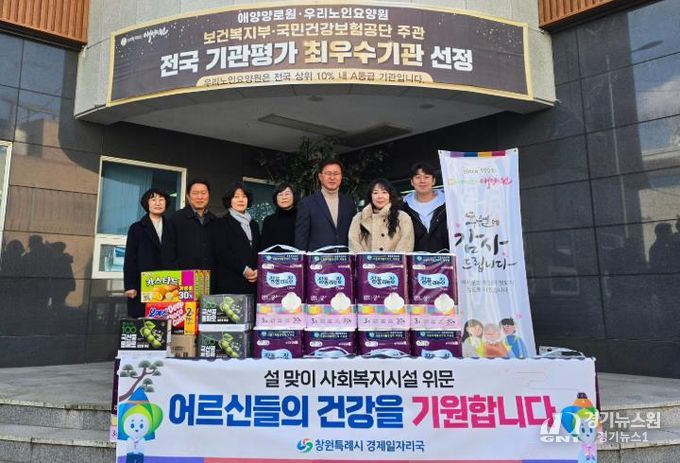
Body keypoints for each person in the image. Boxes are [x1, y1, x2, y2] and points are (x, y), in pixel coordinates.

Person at [124, 188, 170, 318]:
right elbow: (130, 258)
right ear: (147, 203)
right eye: (153, 199)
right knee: (144, 322)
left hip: (168, 284)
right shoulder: (136, 228)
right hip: (143, 284)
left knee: (166, 322)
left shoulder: (172, 226)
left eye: (161, 199)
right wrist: (130, 285)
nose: (158, 203)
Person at [295, 159, 355, 251]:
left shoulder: (349, 203)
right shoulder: (307, 203)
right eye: (328, 173)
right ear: (320, 176)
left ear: (341, 176)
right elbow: (301, 238)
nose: (332, 177)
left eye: (336, 174)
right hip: (317, 258)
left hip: (345, 257)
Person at [214, 182, 260, 294]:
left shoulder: (254, 224)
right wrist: (244, 270)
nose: (241, 200)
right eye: (236, 196)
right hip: (231, 281)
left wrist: (258, 270)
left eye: (244, 196)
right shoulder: (221, 222)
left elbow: (258, 250)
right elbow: (222, 252)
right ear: (229, 200)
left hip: (252, 281)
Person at [162, 178, 217, 273]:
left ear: (209, 195)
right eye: (195, 193)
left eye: (203, 193)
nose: (200, 197)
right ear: (188, 196)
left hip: (211, 278)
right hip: (184, 278)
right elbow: (168, 253)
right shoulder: (175, 219)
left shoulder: (215, 220)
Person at [348, 178, 414, 252]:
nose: (380, 196)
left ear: (390, 195)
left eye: (384, 192)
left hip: (394, 260)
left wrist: (393, 259)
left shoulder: (403, 217)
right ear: (370, 196)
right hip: (365, 260)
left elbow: (406, 245)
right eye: (375, 193)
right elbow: (353, 243)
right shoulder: (359, 218)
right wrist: (365, 259)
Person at [402, 162, 449, 252]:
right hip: (415, 259)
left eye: (426, 177)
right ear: (412, 182)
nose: (422, 181)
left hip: (446, 258)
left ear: (433, 181)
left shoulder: (448, 204)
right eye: (418, 177)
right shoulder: (404, 207)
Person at [260, 183, 297, 249]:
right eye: (280, 194)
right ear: (275, 198)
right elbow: (264, 247)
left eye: (287, 194)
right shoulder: (269, 221)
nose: (284, 197)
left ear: (294, 196)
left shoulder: (303, 218)